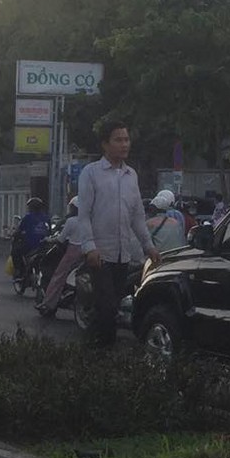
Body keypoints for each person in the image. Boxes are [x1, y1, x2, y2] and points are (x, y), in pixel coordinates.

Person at [75, 118, 157, 347]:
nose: (124, 144)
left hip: (124, 254)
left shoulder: (131, 175)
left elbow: (137, 216)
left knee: (114, 308)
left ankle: (95, 350)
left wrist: (148, 246)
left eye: (126, 139)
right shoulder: (91, 173)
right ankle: (103, 353)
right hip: (100, 254)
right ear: (105, 144)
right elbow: (84, 215)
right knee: (107, 305)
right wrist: (89, 247)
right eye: (118, 140)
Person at [36, 197, 87, 315]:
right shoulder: (88, 221)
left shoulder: (71, 221)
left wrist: (49, 240)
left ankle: (48, 303)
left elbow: (61, 239)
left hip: (72, 252)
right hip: (87, 252)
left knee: (58, 277)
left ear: (73, 208)